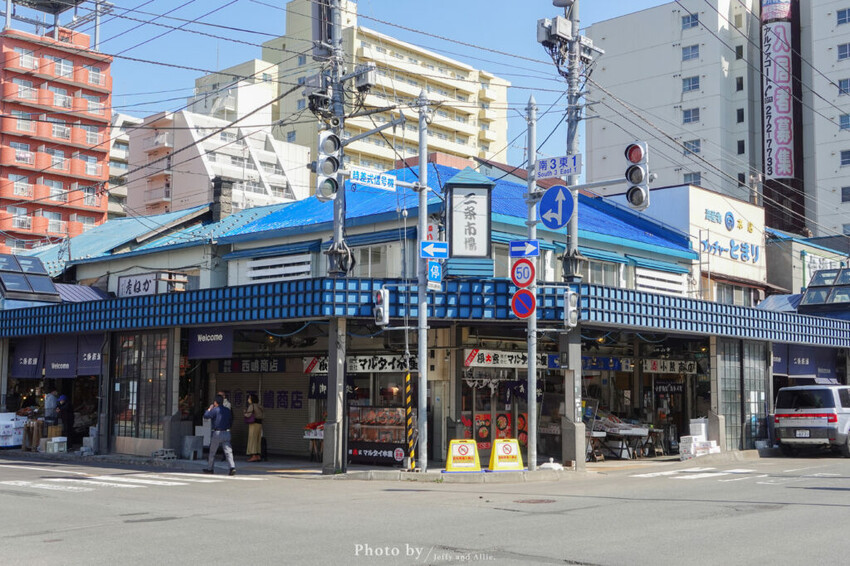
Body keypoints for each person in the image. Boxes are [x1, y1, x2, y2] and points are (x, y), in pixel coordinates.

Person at [203, 394, 235, 475]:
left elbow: (206, 416)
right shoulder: (227, 410)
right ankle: (232, 467)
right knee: (228, 452)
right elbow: (231, 420)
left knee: (212, 452)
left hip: (217, 433)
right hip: (227, 432)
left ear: (215, 402)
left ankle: (210, 468)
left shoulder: (215, 410)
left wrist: (209, 409)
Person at [244, 394, 264, 462]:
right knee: (257, 439)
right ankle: (258, 455)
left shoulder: (252, 406)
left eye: (249, 398)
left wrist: (244, 413)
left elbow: (248, 414)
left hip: (253, 424)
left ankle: (253, 455)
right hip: (259, 424)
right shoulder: (260, 406)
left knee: (252, 439)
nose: (248, 399)